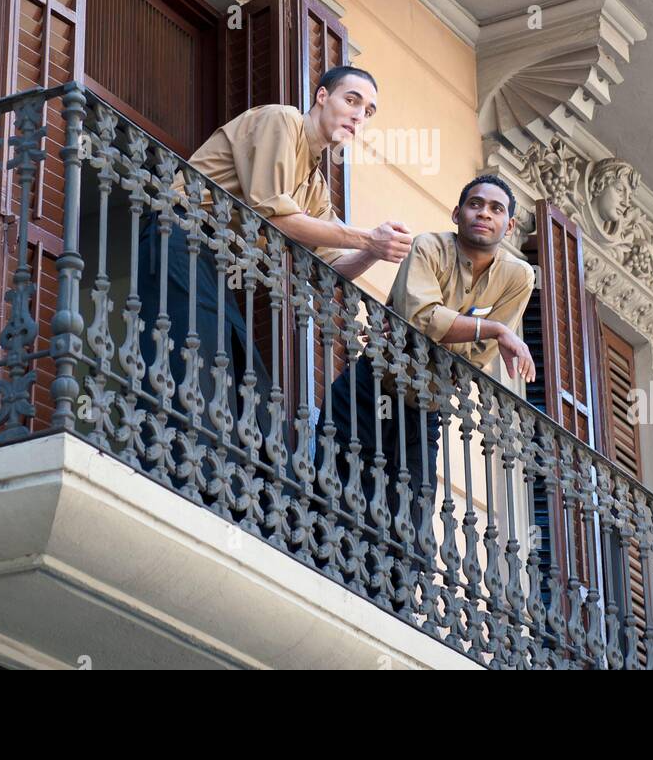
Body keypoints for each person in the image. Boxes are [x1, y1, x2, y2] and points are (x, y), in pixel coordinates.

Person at [135, 66, 412, 466]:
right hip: (177, 234)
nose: (358, 116)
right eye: (351, 100)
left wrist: (373, 250)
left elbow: (331, 269)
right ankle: (172, 464)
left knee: (247, 389)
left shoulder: (315, 186)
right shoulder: (281, 119)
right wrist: (368, 237)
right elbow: (272, 215)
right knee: (193, 362)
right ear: (321, 97)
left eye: (368, 111)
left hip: (211, 263)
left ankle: (220, 479)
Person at [315, 175, 537, 592]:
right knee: (342, 487)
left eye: (496, 209)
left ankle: (393, 601)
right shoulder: (429, 248)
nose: (483, 213)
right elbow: (420, 318)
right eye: (475, 204)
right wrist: (490, 328)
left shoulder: (518, 277)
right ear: (458, 213)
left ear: (508, 227)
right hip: (371, 387)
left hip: (426, 407)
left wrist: (467, 333)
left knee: (414, 516)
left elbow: (474, 357)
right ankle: (334, 578)